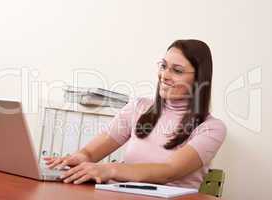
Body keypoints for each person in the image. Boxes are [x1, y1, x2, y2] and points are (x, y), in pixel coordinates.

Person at [44, 39, 226, 189]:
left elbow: (169, 171)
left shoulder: (212, 129)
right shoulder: (138, 107)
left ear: (199, 78)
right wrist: (80, 158)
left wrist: (111, 170)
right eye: (163, 66)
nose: (164, 75)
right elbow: (91, 152)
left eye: (176, 70)